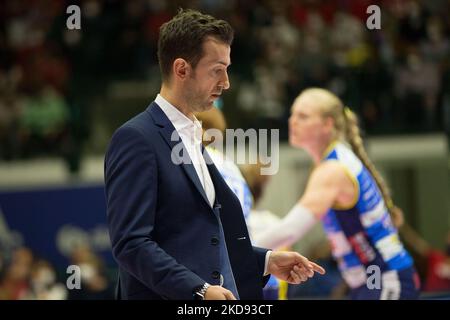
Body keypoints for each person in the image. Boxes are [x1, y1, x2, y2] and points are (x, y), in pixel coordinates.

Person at [104, 9, 324, 300]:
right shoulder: (136, 138)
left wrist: (266, 261)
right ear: (181, 69)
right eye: (216, 70)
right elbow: (130, 244)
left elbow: (204, 241)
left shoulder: (193, 136)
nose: (226, 83)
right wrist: (198, 291)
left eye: (228, 68)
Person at [255, 87, 420, 299]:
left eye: (303, 116)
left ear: (327, 124)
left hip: (383, 277)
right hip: (372, 279)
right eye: (292, 114)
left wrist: (236, 250)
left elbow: (290, 230)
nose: (292, 121)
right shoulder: (334, 162)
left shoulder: (333, 169)